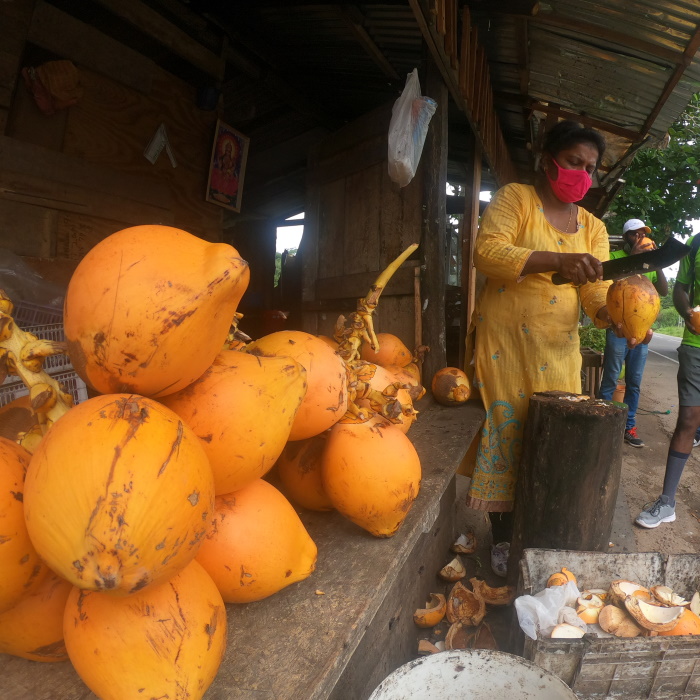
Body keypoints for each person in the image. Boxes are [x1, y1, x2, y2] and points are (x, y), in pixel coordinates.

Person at [466, 120, 622, 577]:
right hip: (506, 348)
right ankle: (501, 538)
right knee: (510, 436)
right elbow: (487, 253)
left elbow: (596, 291)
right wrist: (557, 260)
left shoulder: (593, 226)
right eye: (574, 162)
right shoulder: (516, 199)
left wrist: (613, 315)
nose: (582, 174)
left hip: (560, 351)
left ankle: (540, 539)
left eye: (590, 168)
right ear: (547, 159)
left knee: (554, 441)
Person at [635, 237, 700, 528]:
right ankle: (667, 502)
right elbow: (680, 288)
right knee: (688, 420)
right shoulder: (696, 242)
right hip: (695, 345)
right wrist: (688, 313)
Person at [598, 219, 668, 447]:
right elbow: (610, 286)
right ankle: (603, 426)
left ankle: (629, 427)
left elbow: (664, 291)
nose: (639, 237)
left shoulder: (649, 264)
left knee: (634, 382)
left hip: (641, 333)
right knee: (610, 378)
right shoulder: (616, 258)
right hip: (617, 330)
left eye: (642, 233)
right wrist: (635, 259)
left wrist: (657, 263)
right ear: (626, 237)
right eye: (634, 234)